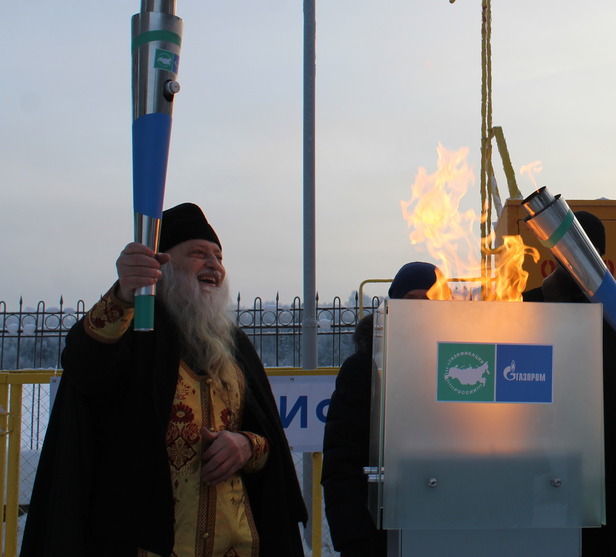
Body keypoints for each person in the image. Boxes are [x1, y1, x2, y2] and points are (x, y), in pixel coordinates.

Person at [22, 202, 308, 557]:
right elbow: (86, 369)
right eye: (199, 253)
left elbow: (267, 437)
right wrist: (125, 292)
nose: (214, 266)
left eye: (218, 257)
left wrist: (248, 445)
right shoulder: (135, 331)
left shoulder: (231, 344)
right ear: (163, 266)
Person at [523, 210, 616, 557]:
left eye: (586, 251)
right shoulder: (528, 306)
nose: (574, 261)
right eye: (567, 251)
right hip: (537, 472)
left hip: (603, 476)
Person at [321, 261, 442, 557]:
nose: (421, 310)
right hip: (379, 533)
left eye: (431, 301)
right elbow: (342, 459)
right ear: (393, 306)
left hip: (442, 525)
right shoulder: (365, 369)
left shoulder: (454, 366)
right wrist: (354, 538)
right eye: (412, 301)